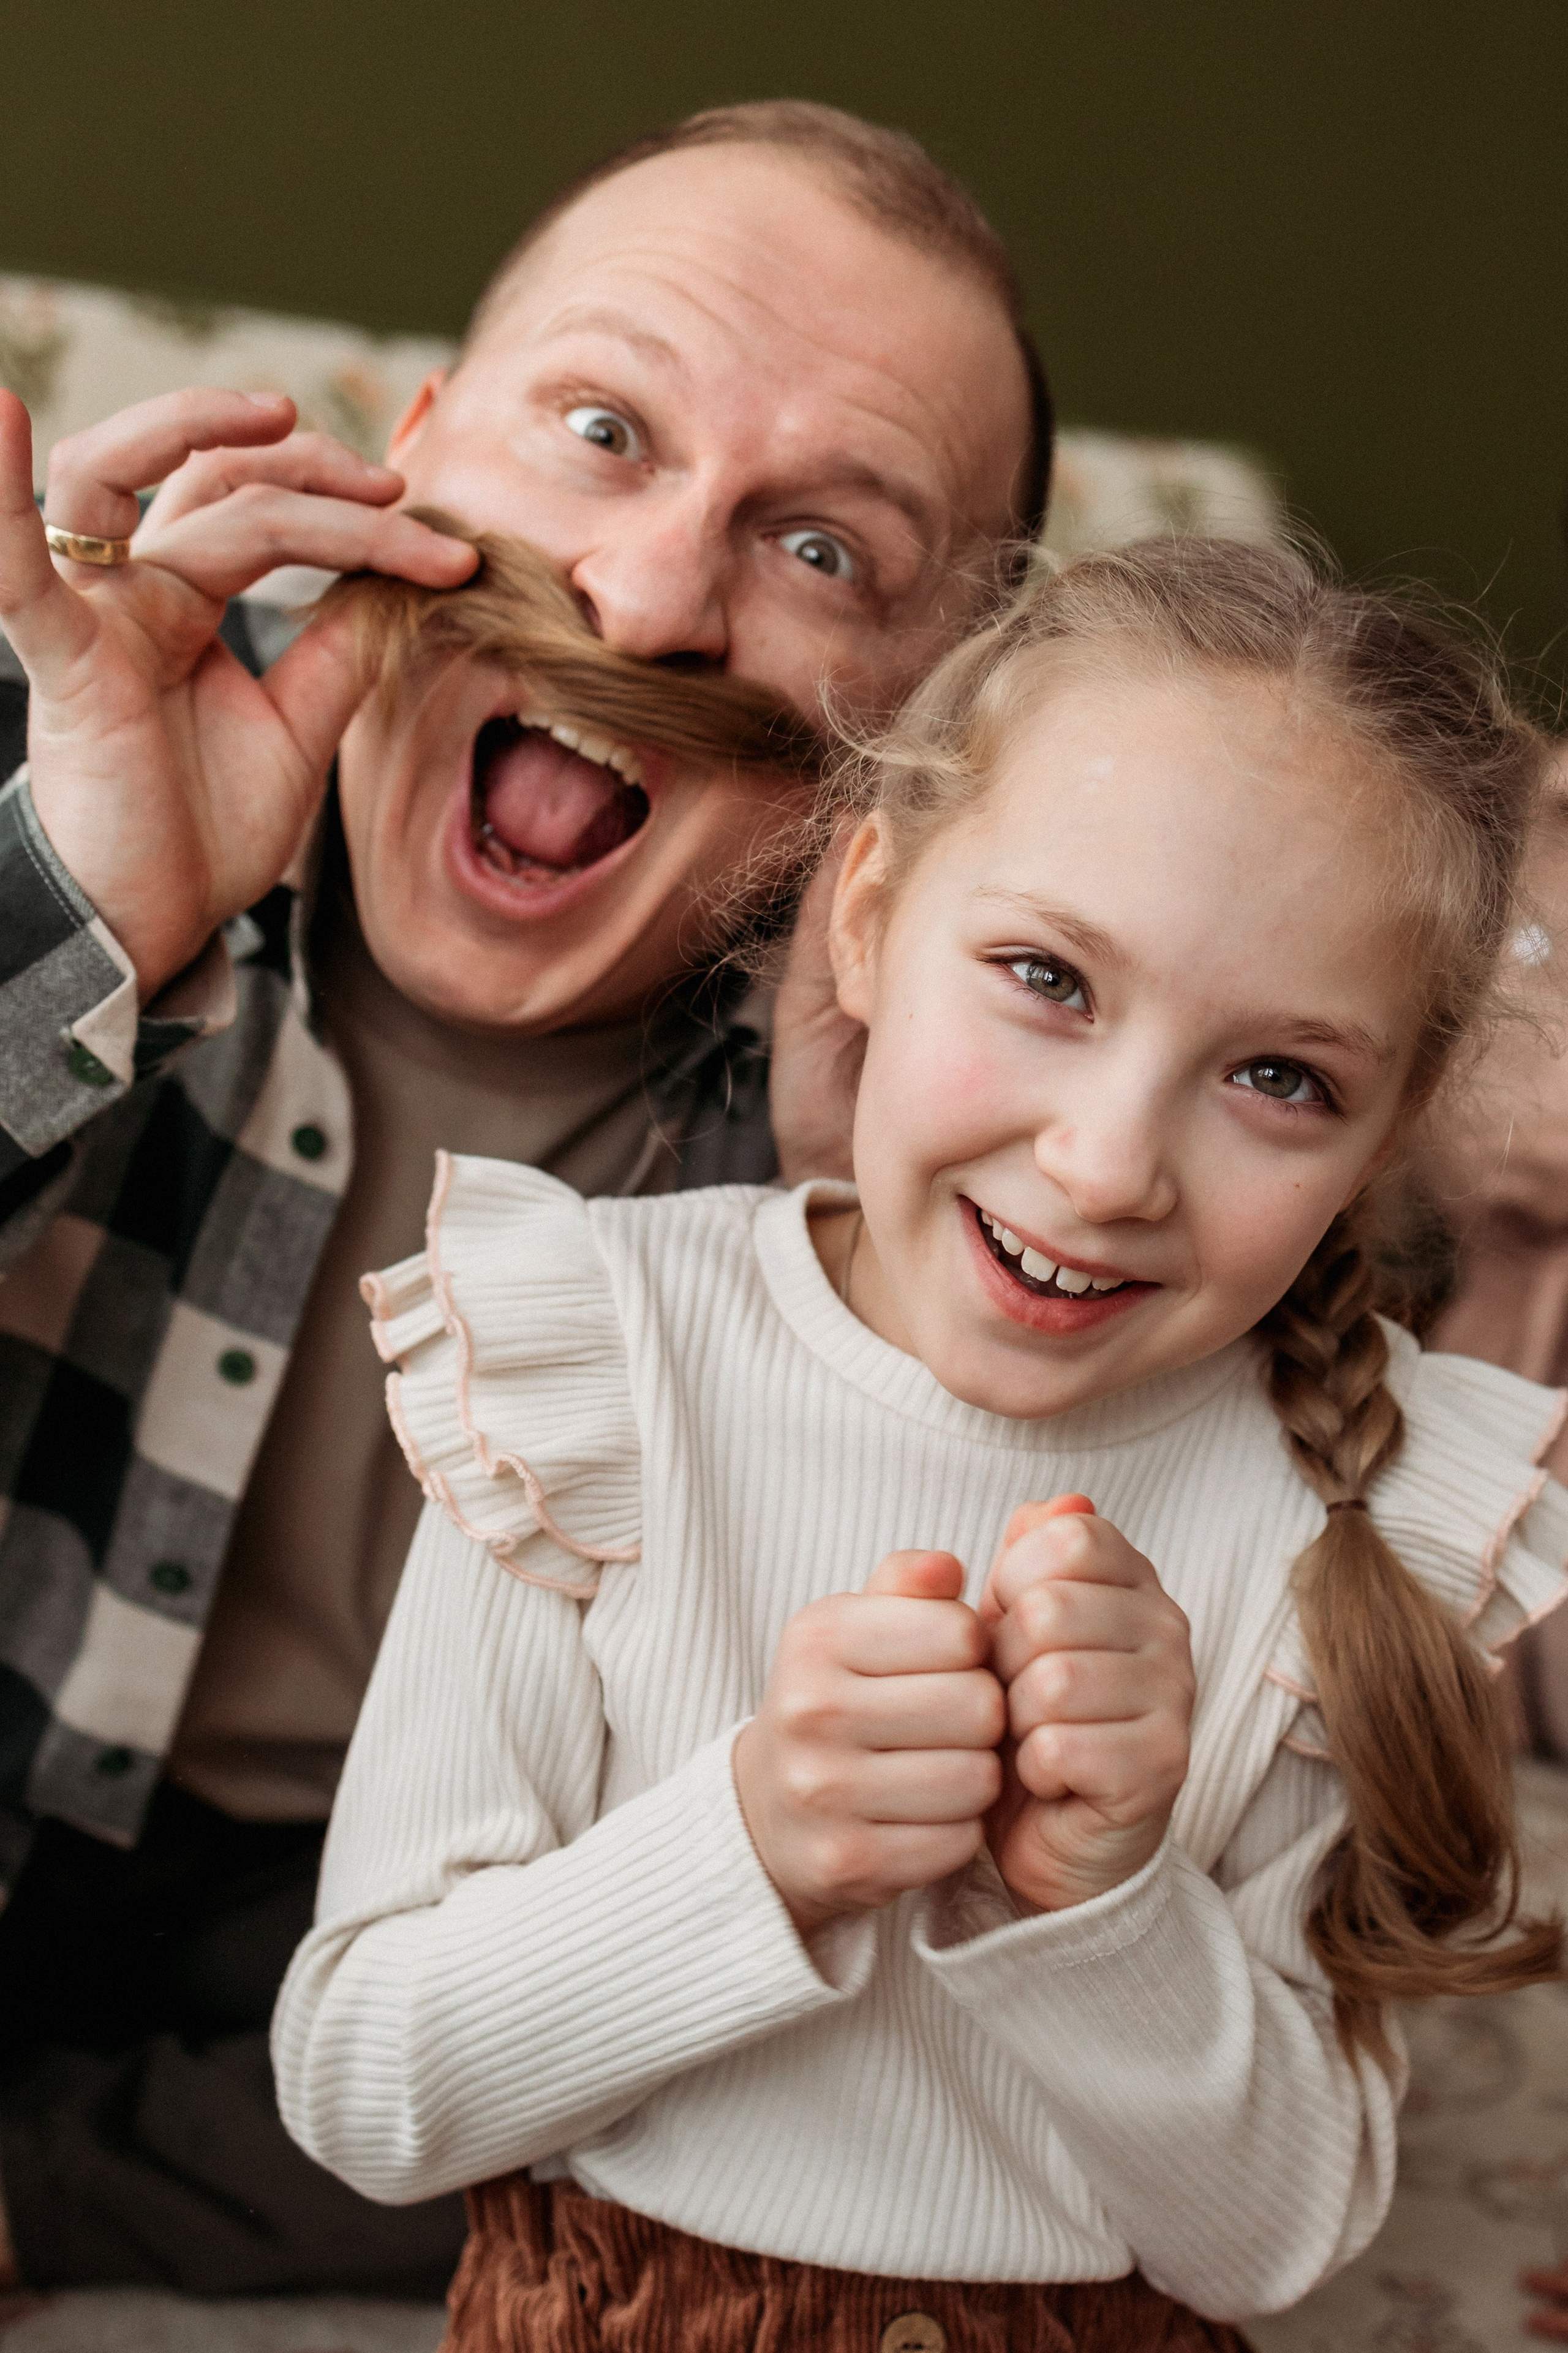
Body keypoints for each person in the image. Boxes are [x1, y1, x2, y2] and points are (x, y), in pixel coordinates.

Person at [273, 537, 1567, 2349]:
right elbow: (366, 2083)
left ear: (1388, 1128)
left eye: (1279, 1077)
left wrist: (1115, 1900)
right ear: (869, 911)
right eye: (1048, 975)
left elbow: (1276, 2242)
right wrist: (753, 1838)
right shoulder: (600, 1358)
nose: (1109, 1164)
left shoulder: (1341, 1503)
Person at [0, 102, 1048, 2294]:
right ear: (420, 443)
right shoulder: (67, 729)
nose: (654, 594)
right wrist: (72, 919)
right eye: (599, 429)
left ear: (940, 705)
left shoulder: (942, 1102)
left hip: (420, 1928)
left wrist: (882, 1245)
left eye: (826, 549)